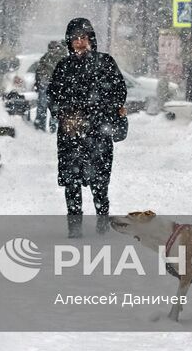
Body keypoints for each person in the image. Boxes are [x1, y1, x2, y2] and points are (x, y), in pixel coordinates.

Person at [48, 17, 127, 237]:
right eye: (75, 39)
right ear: (69, 42)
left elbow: (119, 91)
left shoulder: (105, 63)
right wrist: (64, 115)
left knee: (100, 183)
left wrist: (100, 111)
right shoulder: (63, 67)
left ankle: (102, 224)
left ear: (91, 39)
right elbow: (52, 96)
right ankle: (74, 228)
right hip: (70, 136)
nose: (80, 43)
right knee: (72, 183)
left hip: (98, 134)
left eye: (83, 38)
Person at [33, 39, 67, 132]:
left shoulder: (48, 57)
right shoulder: (60, 56)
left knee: (45, 105)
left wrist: (38, 82)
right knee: (51, 105)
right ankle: (50, 125)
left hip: (49, 83)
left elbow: (39, 70)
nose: (52, 49)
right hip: (52, 84)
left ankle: (42, 124)